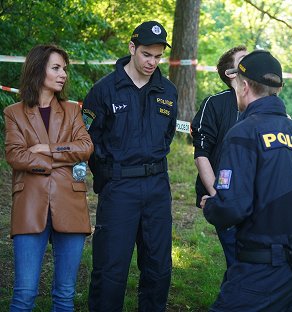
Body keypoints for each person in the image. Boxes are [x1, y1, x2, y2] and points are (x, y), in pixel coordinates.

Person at [201, 50, 292, 311]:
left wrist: (211, 206)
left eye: (236, 83)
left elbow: (232, 207)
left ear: (245, 86)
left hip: (261, 272)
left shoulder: (243, 134)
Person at [82, 21, 177, 311]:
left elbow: (168, 134)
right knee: (110, 270)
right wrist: (110, 176)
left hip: (157, 188)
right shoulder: (104, 90)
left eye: (158, 56)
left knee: (158, 268)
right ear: (132, 48)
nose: (153, 62)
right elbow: (89, 142)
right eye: (147, 54)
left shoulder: (168, 91)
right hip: (119, 188)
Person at [4, 45, 93, 311]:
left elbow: (85, 148)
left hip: (70, 205)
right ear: (37, 69)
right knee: (24, 294)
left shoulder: (72, 110)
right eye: (56, 68)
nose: (63, 74)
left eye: (64, 69)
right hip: (30, 206)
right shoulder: (14, 112)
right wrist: (62, 161)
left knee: (65, 295)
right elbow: (15, 155)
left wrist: (46, 149)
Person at [191, 45, 247, 270]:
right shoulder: (213, 104)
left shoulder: (263, 105)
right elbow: (201, 155)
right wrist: (218, 197)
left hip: (257, 202)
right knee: (238, 264)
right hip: (226, 200)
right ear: (231, 74)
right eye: (244, 60)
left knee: (250, 266)